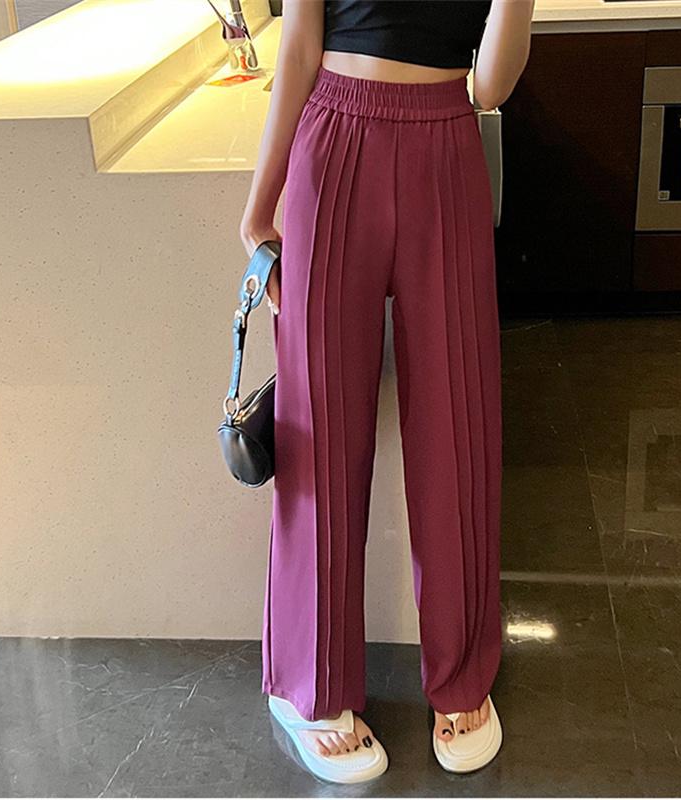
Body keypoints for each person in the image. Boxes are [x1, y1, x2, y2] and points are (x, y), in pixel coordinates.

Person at [239, 0, 534, 783]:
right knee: (318, 427)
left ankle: (461, 669)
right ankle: (308, 682)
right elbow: (299, 46)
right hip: (335, 138)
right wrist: (259, 206)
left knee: (458, 422)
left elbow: (490, 85)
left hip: (448, 142)